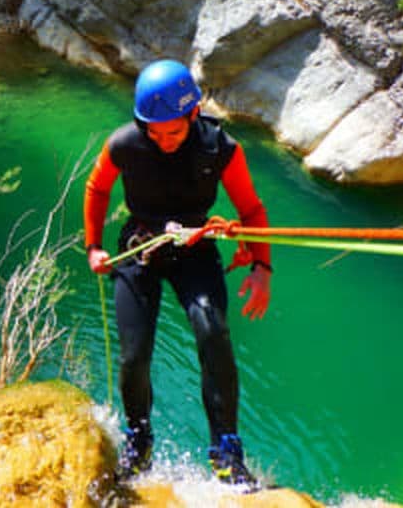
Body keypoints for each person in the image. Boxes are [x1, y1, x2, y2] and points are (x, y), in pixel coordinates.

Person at [84, 59, 271, 485]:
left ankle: (226, 448)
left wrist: (262, 268)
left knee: (213, 332)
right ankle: (138, 439)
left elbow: (251, 208)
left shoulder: (221, 148)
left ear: (193, 114)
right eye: (154, 132)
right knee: (134, 353)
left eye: (173, 131)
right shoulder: (124, 144)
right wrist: (93, 246)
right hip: (141, 247)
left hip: (194, 246)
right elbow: (97, 187)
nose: (164, 141)